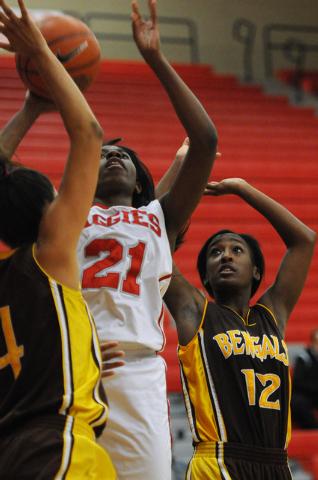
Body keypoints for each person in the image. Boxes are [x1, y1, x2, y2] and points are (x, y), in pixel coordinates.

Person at [77, 1, 218, 478]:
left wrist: (156, 57)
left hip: (138, 371)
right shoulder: (67, 211)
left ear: (140, 180)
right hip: (75, 363)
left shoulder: (160, 217)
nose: (113, 157)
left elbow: (206, 141)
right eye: (103, 154)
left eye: (124, 155)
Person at [0, 1, 116, 478]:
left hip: (13, 451)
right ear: (50, 211)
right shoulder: (50, 252)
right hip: (59, 445)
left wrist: (79, 354)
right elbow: (88, 134)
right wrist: (44, 55)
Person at [164, 177, 316, 480]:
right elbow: (157, 245)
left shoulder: (272, 315)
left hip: (276, 463)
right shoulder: (195, 311)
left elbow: (305, 240)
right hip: (219, 461)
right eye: (215, 253)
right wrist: (186, 177)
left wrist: (242, 189)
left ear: (256, 270)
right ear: (206, 277)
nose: (227, 256)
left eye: (237, 250)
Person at [291, 328, 318, 429]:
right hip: (305, 394)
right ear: (313, 343)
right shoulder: (304, 357)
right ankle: (314, 429)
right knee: (297, 401)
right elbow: (297, 382)